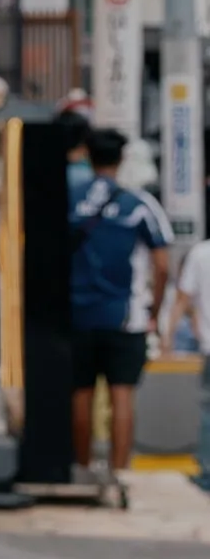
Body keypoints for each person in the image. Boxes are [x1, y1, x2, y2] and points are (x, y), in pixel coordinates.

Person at [69, 124, 172, 486]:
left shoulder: (70, 197)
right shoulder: (139, 204)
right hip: (124, 316)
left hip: (76, 313)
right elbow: (162, 263)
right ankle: (119, 474)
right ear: (122, 158)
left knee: (79, 393)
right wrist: (155, 311)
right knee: (121, 395)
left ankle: (82, 470)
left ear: (87, 154)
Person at [166, 226, 210, 493]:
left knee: (209, 410)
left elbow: (183, 299)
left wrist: (167, 336)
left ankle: (207, 473)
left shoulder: (200, 254)